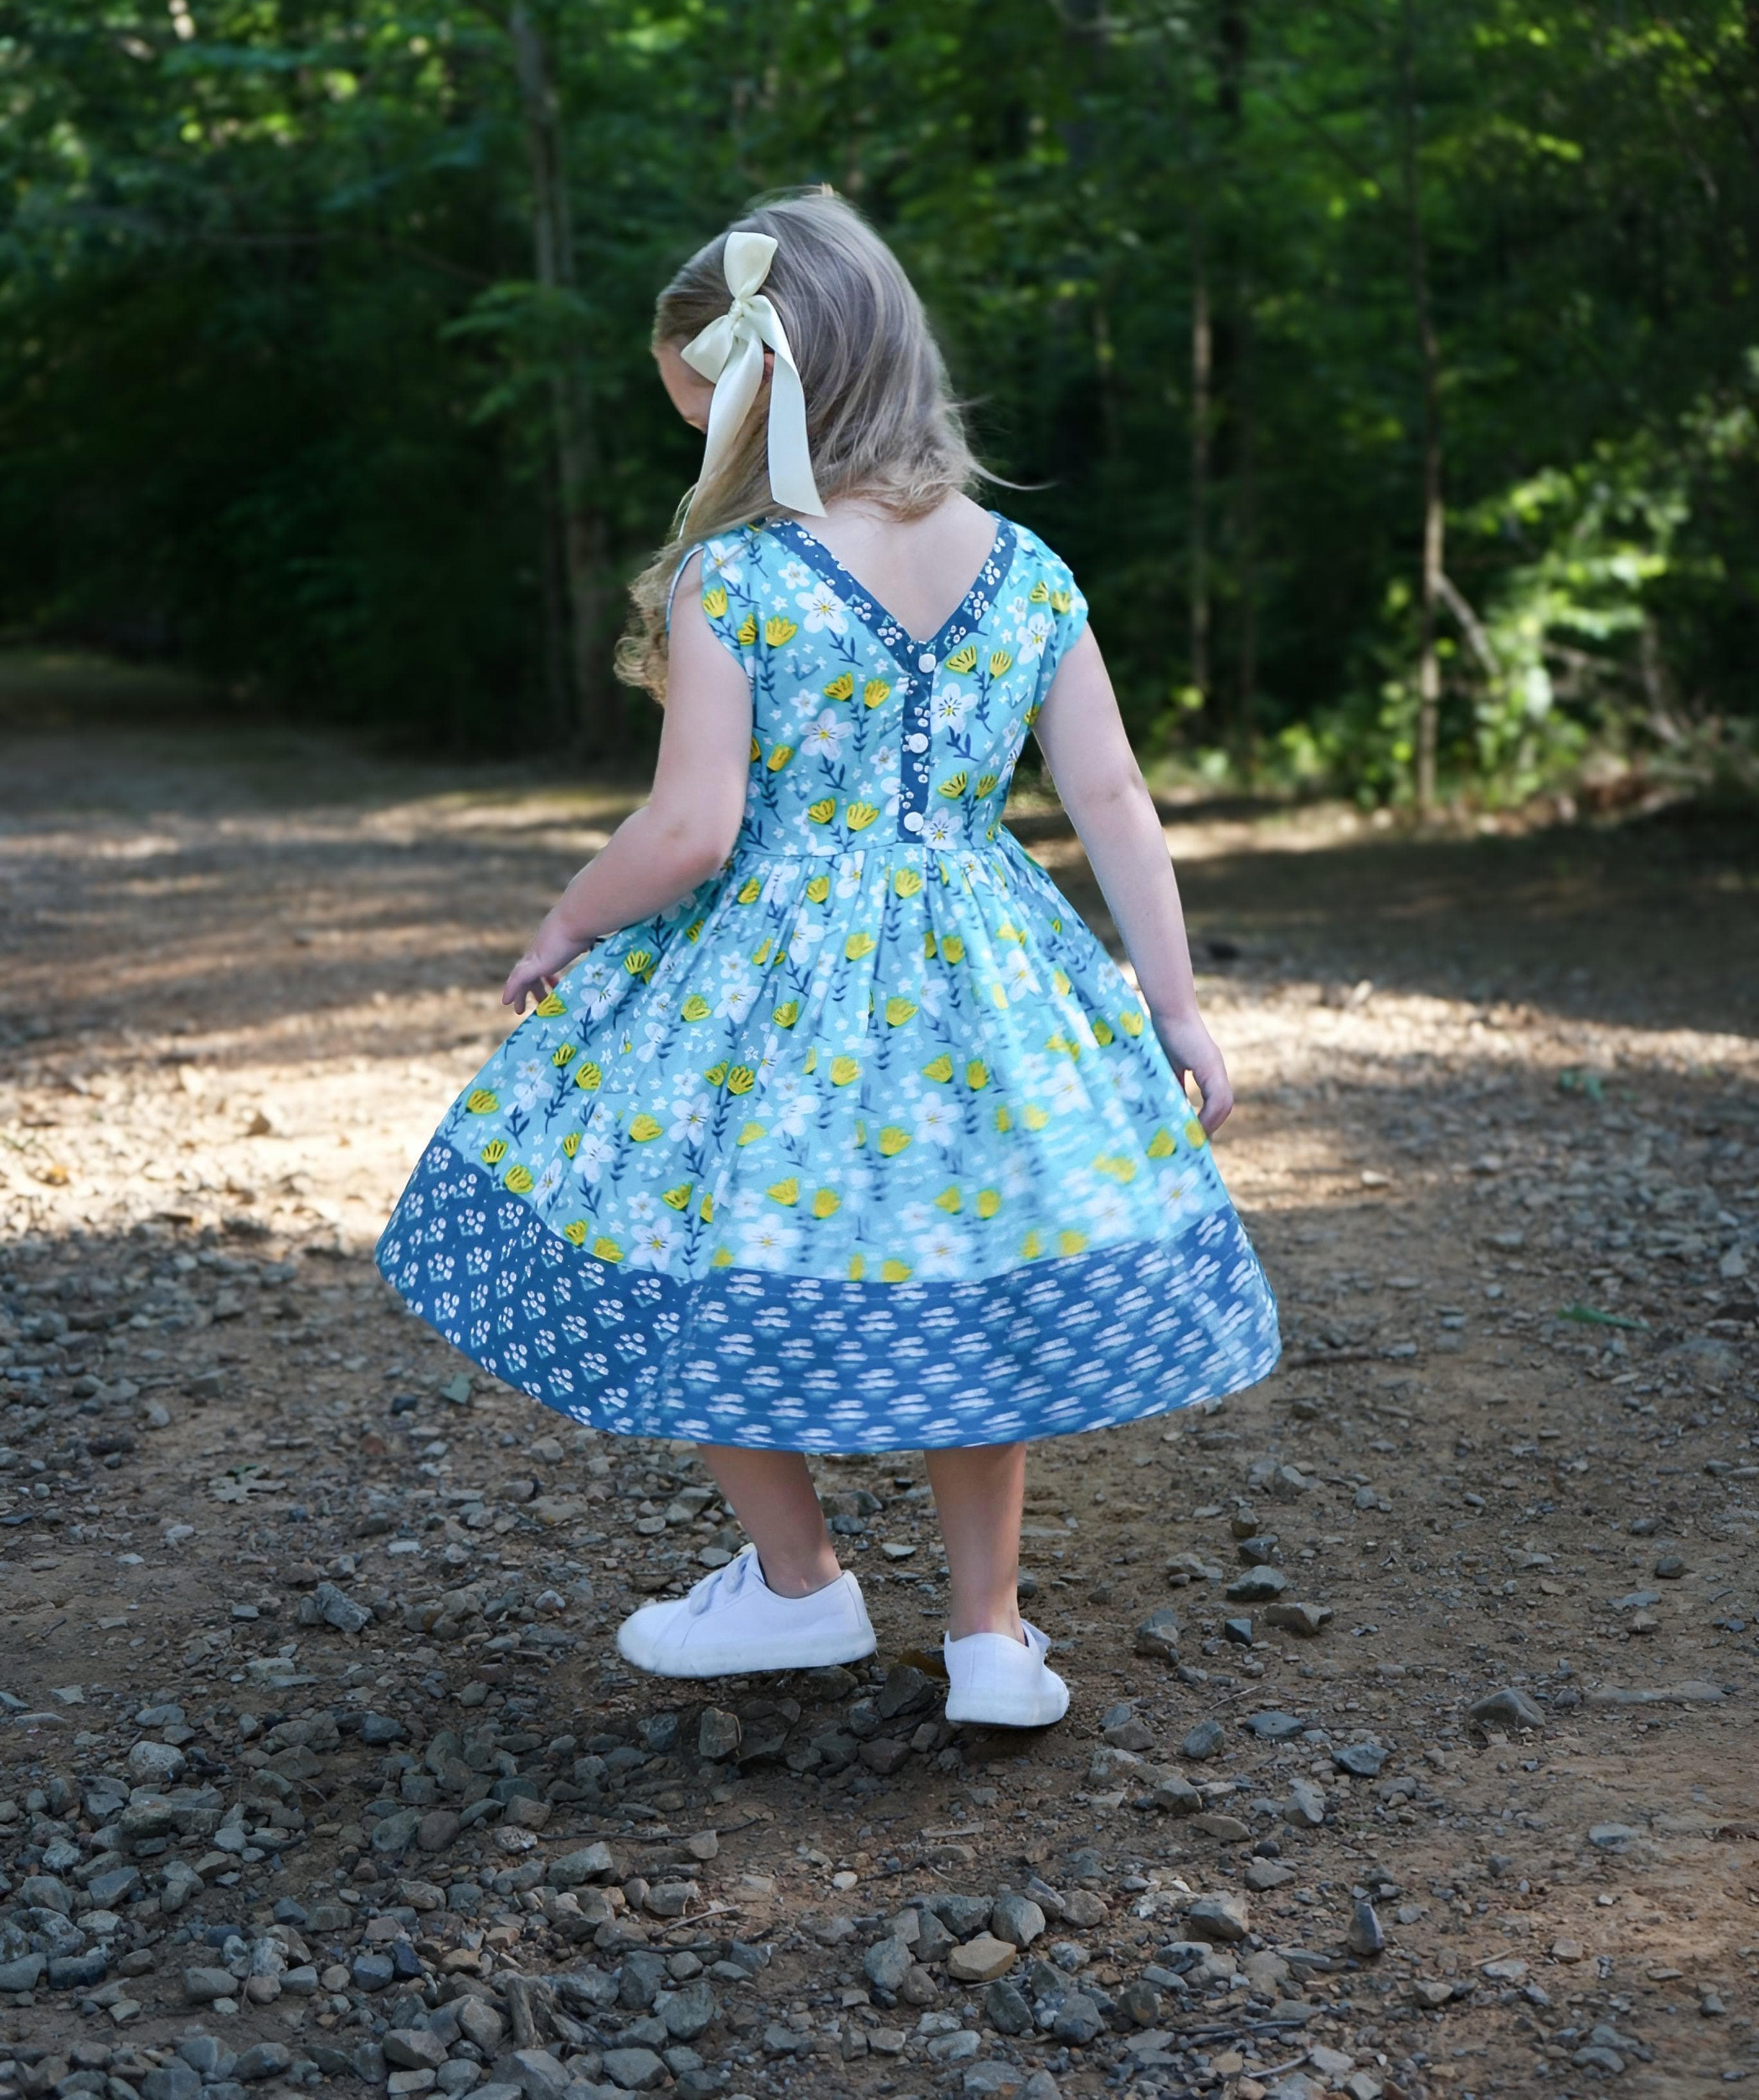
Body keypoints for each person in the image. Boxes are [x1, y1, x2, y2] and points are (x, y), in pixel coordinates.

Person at [377, 188, 1278, 1729]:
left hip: (771, 982)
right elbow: (1113, 796)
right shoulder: (1028, 567)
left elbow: (693, 827)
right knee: (970, 1269)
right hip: (982, 977)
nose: (697, 451)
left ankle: (799, 1584)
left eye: (702, 412)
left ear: (767, 393)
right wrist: (1171, 1001)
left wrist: (574, 916)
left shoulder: (741, 578)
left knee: (697, 1235)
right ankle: (990, 1634)